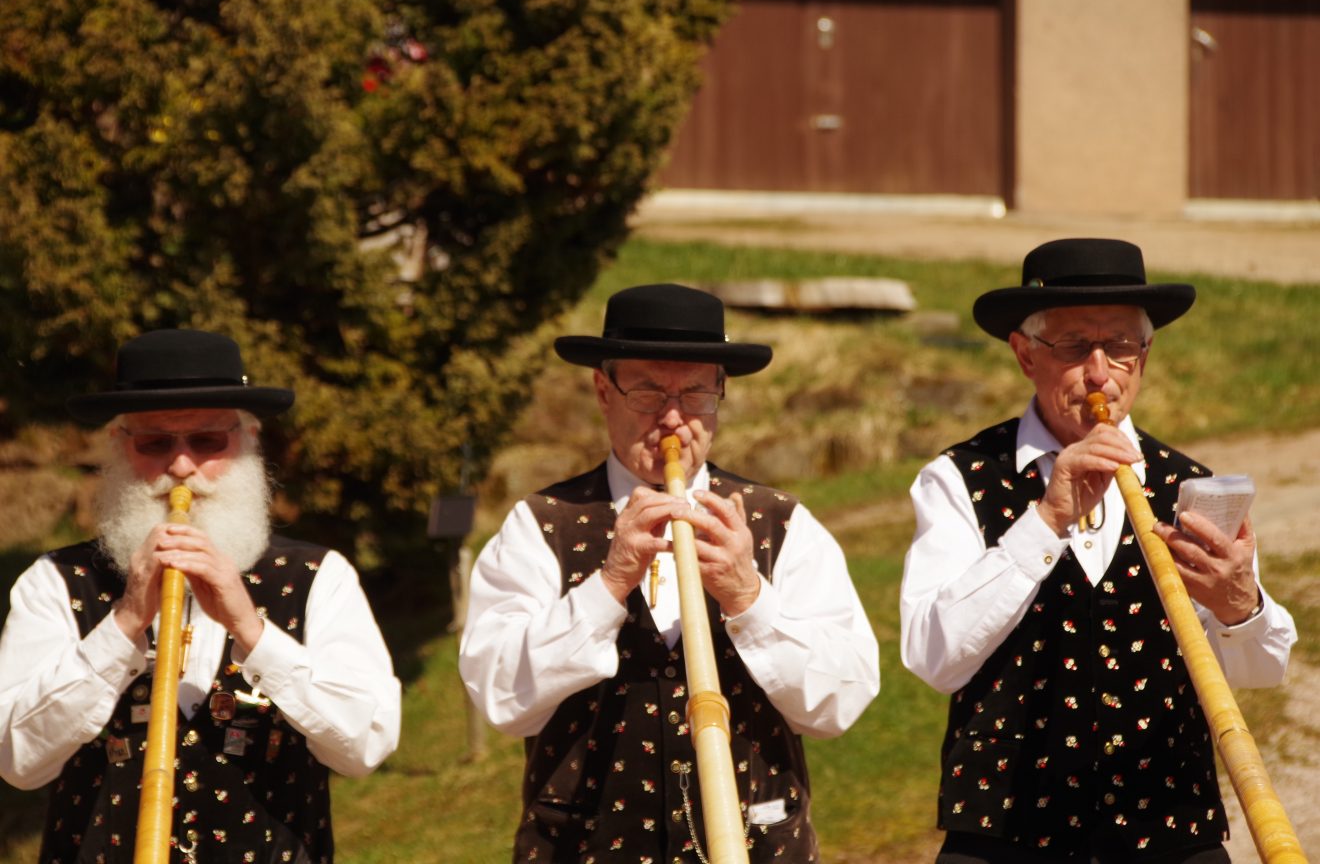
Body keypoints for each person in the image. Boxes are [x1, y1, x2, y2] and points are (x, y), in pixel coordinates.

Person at [900, 239, 1298, 864]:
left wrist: (1239, 606)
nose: (1099, 373)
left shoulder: (1189, 485)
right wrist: (1046, 521)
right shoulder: (960, 477)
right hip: (1005, 836)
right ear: (1025, 354)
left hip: (1168, 831)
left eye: (1119, 346)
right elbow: (932, 657)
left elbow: (1263, 671)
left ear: (1144, 356)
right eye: (1072, 346)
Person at [460, 283, 880, 862]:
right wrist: (608, 586)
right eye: (648, 392)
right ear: (603, 391)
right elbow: (499, 698)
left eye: (697, 394)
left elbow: (841, 702)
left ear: (721, 394)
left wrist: (749, 598)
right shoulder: (540, 525)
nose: (675, 419)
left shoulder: (783, 523)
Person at [0, 329, 402, 863]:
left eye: (208, 441)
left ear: (248, 441)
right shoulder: (55, 580)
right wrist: (123, 623)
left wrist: (252, 632)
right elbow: (17, 761)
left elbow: (366, 746)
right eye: (155, 443)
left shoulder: (318, 577)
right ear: (119, 445)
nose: (182, 467)